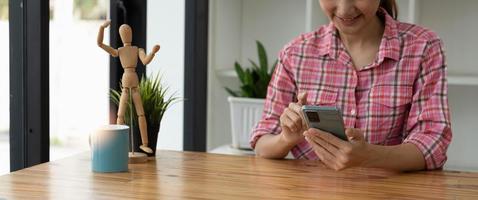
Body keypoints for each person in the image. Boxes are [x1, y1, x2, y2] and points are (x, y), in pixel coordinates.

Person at [250, 0, 452, 171]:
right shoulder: (295, 54)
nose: (344, 9)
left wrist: (370, 156)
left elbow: (433, 143)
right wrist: (286, 138)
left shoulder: (423, 47)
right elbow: (261, 144)